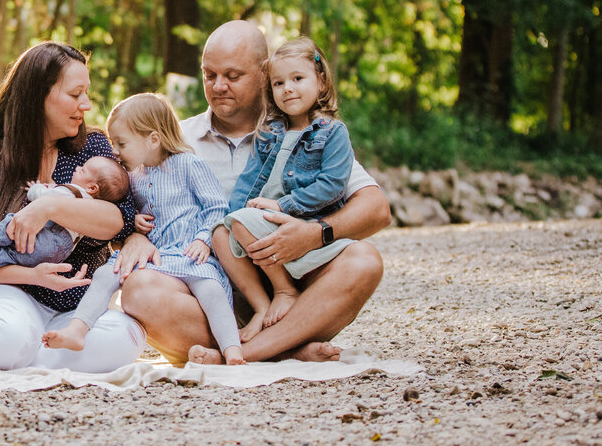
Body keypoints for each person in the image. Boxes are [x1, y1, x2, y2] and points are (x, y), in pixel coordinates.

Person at [118, 20, 391, 365]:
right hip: (203, 287)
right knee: (138, 290)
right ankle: (286, 349)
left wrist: (315, 234)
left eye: (233, 76)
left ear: (264, 74)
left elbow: (376, 209)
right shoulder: (175, 139)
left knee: (364, 261)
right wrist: (131, 237)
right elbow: (123, 199)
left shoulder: (305, 133)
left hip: (291, 285)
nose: (218, 86)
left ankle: (245, 352)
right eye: (209, 75)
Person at [0, 42, 147, 372]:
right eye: (76, 94)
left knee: (126, 338)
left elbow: (122, 220)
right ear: (38, 97)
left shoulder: (92, 148)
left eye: (86, 93)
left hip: (73, 307)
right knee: (10, 337)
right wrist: (32, 275)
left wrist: (48, 207)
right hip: (2, 293)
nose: (86, 105)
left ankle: (10, 357)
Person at [43, 93, 245, 366]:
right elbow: (140, 214)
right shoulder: (135, 178)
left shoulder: (189, 165)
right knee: (106, 274)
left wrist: (202, 240)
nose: (114, 150)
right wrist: (136, 220)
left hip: (190, 252)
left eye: (121, 143)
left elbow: (217, 207)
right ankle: (77, 330)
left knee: (212, 291)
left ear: (152, 139)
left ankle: (233, 351)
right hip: (157, 256)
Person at [215, 36, 358, 351]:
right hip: (261, 220)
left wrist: (283, 204)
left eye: (297, 79)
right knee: (219, 233)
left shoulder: (332, 133)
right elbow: (249, 180)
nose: (288, 88)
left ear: (321, 82)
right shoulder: (269, 133)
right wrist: (230, 217)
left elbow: (331, 185)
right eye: (279, 83)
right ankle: (262, 305)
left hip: (301, 220)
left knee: (240, 222)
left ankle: (285, 291)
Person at [0, 155, 130, 269]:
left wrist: (35, 189)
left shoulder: (71, 192)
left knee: (13, 221)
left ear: (92, 187)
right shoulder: (92, 207)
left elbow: (44, 197)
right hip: (62, 252)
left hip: (48, 237)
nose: (78, 167)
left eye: (83, 170)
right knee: (14, 258)